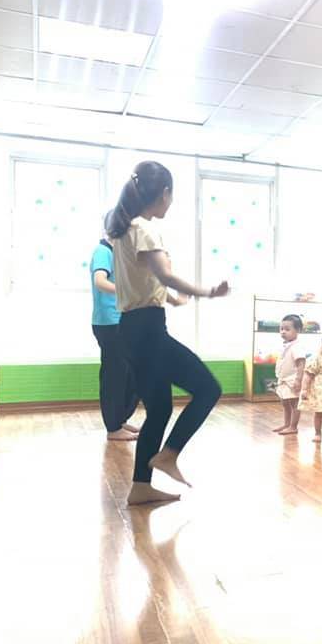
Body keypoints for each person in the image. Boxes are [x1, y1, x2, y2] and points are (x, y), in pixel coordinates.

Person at [106, 161, 229, 506]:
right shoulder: (144, 228)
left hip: (131, 329)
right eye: (171, 195)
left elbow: (145, 282)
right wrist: (208, 292)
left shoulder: (123, 231)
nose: (171, 202)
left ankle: (140, 487)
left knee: (159, 410)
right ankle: (170, 454)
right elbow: (165, 275)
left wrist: (174, 299)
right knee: (209, 389)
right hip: (148, 331)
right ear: (163, 193)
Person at [90, 220, 140, 441]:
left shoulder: (117, 253)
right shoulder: (102, 251)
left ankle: (119, 420)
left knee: (131, 373)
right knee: (115, 376)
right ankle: (113, 427)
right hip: (109, 324)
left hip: (122, 321)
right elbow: (100, 281)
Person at [273, 314, 306, 435]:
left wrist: (298, 380)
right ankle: (287, 424)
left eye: (287, 329)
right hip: (283, 380)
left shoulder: (297, 346)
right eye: (281, 329)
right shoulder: (286, 345)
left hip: (292, 380)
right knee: (285, 403)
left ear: (298, 330)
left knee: (294, 403)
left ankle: (293, 426)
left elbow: (301, 363)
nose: (283, 332)